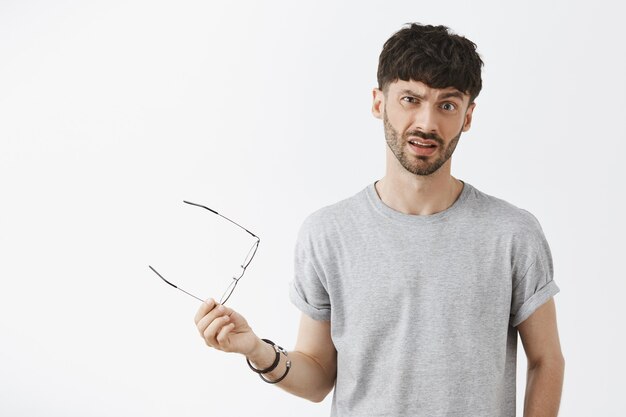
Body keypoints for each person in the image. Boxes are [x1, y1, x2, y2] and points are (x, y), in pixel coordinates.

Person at [194, 23, 565, 416]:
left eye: (447, 105)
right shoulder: (328, 233)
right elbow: (318, 376)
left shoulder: (512, 233)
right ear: (378, 102)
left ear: (468, 116)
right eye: (410, 99)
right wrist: (255, 349)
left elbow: (546, 360)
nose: (427, 123)